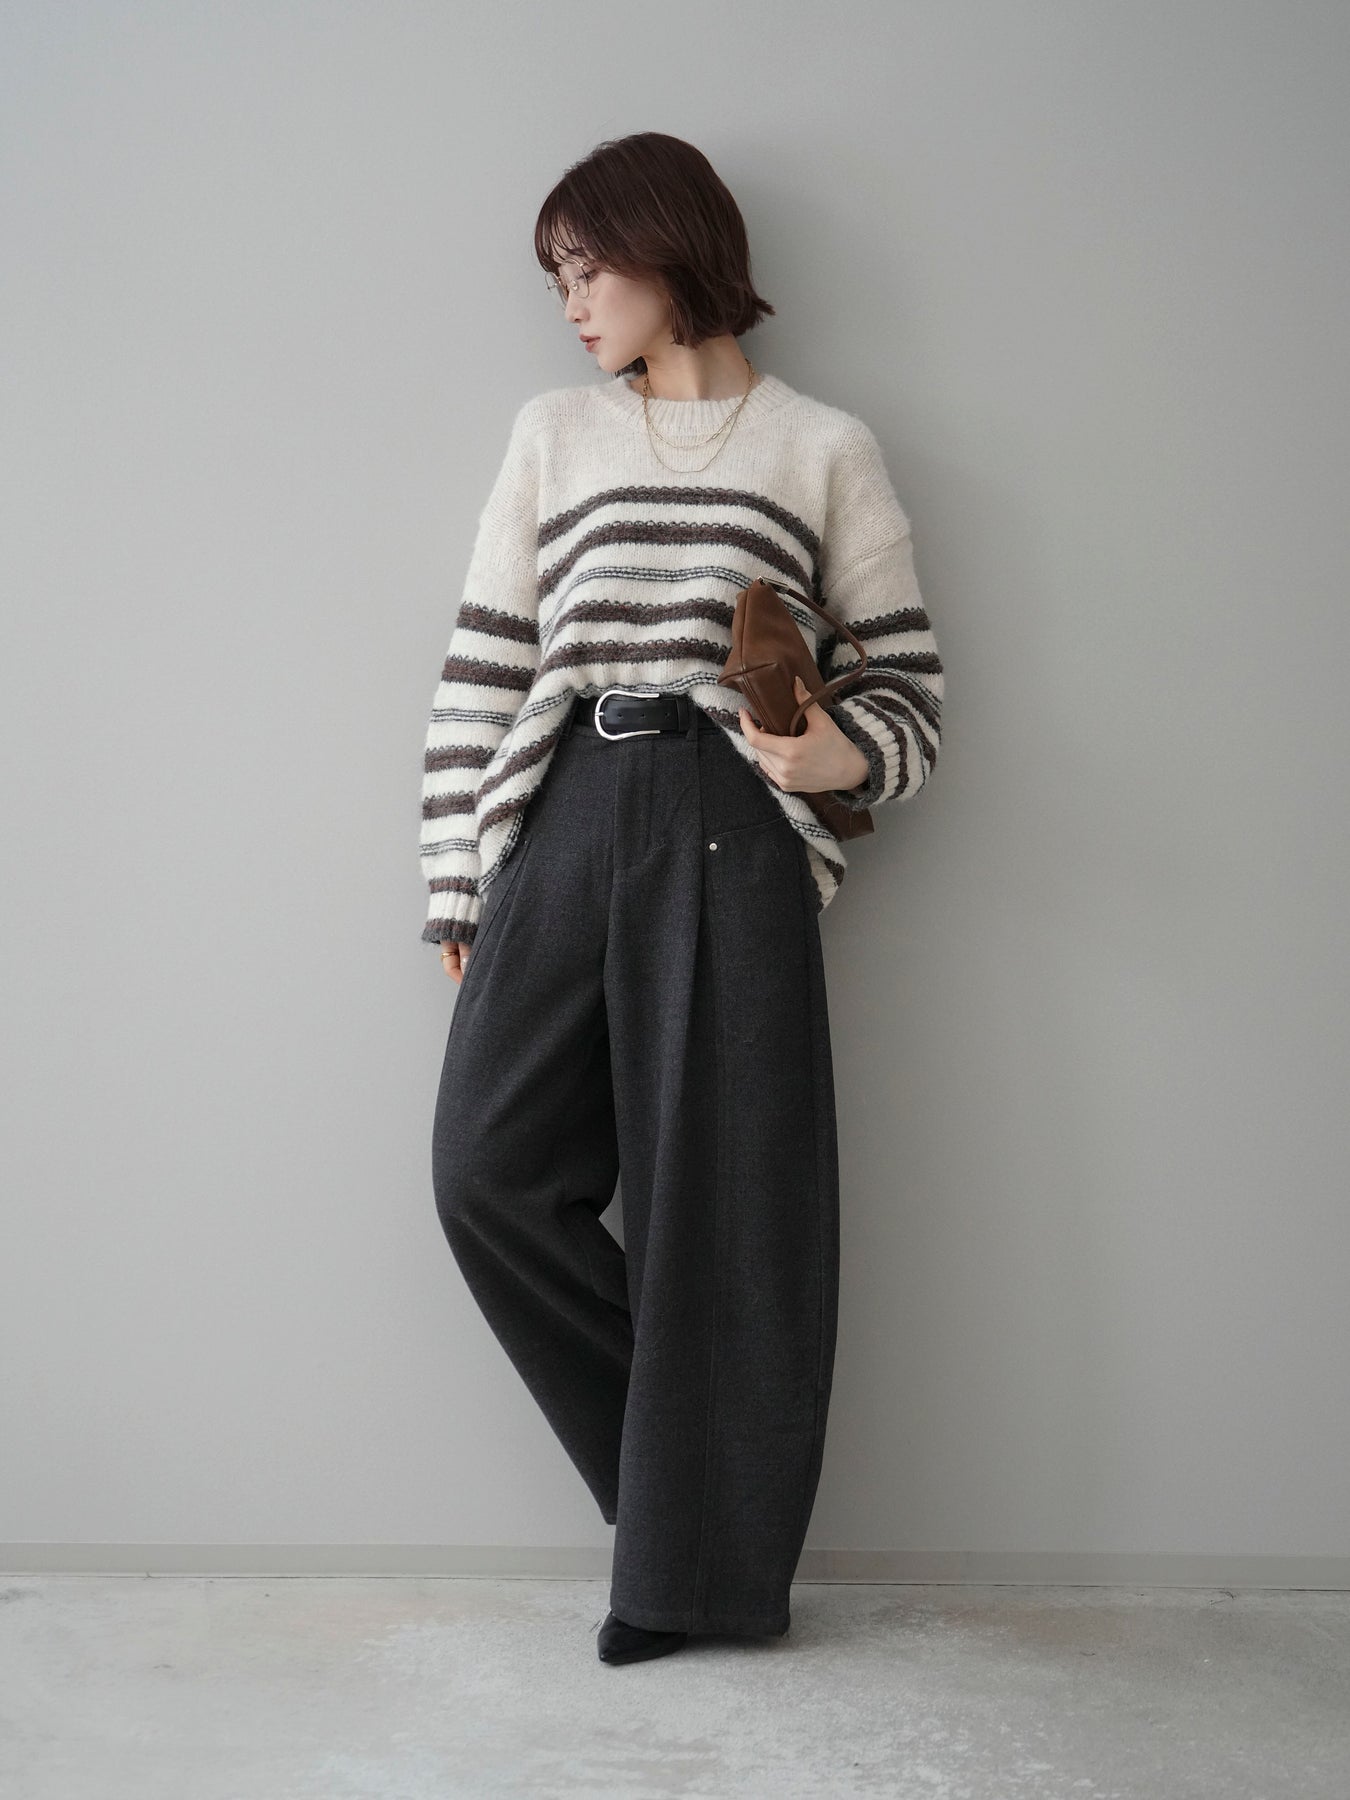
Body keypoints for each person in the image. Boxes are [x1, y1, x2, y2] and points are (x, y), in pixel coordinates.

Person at [419, 131, 943, 1665]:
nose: (572, 304)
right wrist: (456, 881)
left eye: (587, 268)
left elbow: (910, 696)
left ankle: (687, 1578)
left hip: (732, 824)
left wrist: (831, 747)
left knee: (728, 1213)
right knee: (485, 1174)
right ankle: (687, 1499)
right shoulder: (554, 434)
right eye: (558, 279)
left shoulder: (824, 448)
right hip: (567, 804)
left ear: (669, 248)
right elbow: (482, 670)